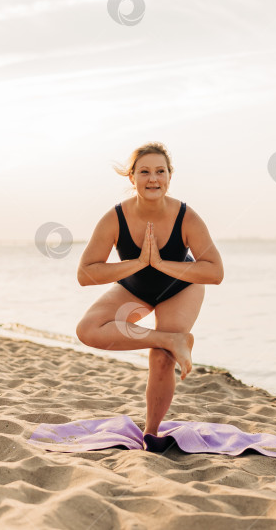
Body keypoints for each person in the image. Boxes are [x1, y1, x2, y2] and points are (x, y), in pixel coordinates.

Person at [75, 141, 224, 436]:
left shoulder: (186, 216)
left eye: (160, 171)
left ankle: (151, 434)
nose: (153, 179)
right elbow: (85, 273)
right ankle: (172, 339)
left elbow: (215, 271)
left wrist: (160, 263)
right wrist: (140, 263)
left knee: (160, 358)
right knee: (88, 330)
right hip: (135, 286)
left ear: (170, 176)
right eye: (144, 172)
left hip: (180, 286)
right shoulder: (115, 218)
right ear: (132, 178)